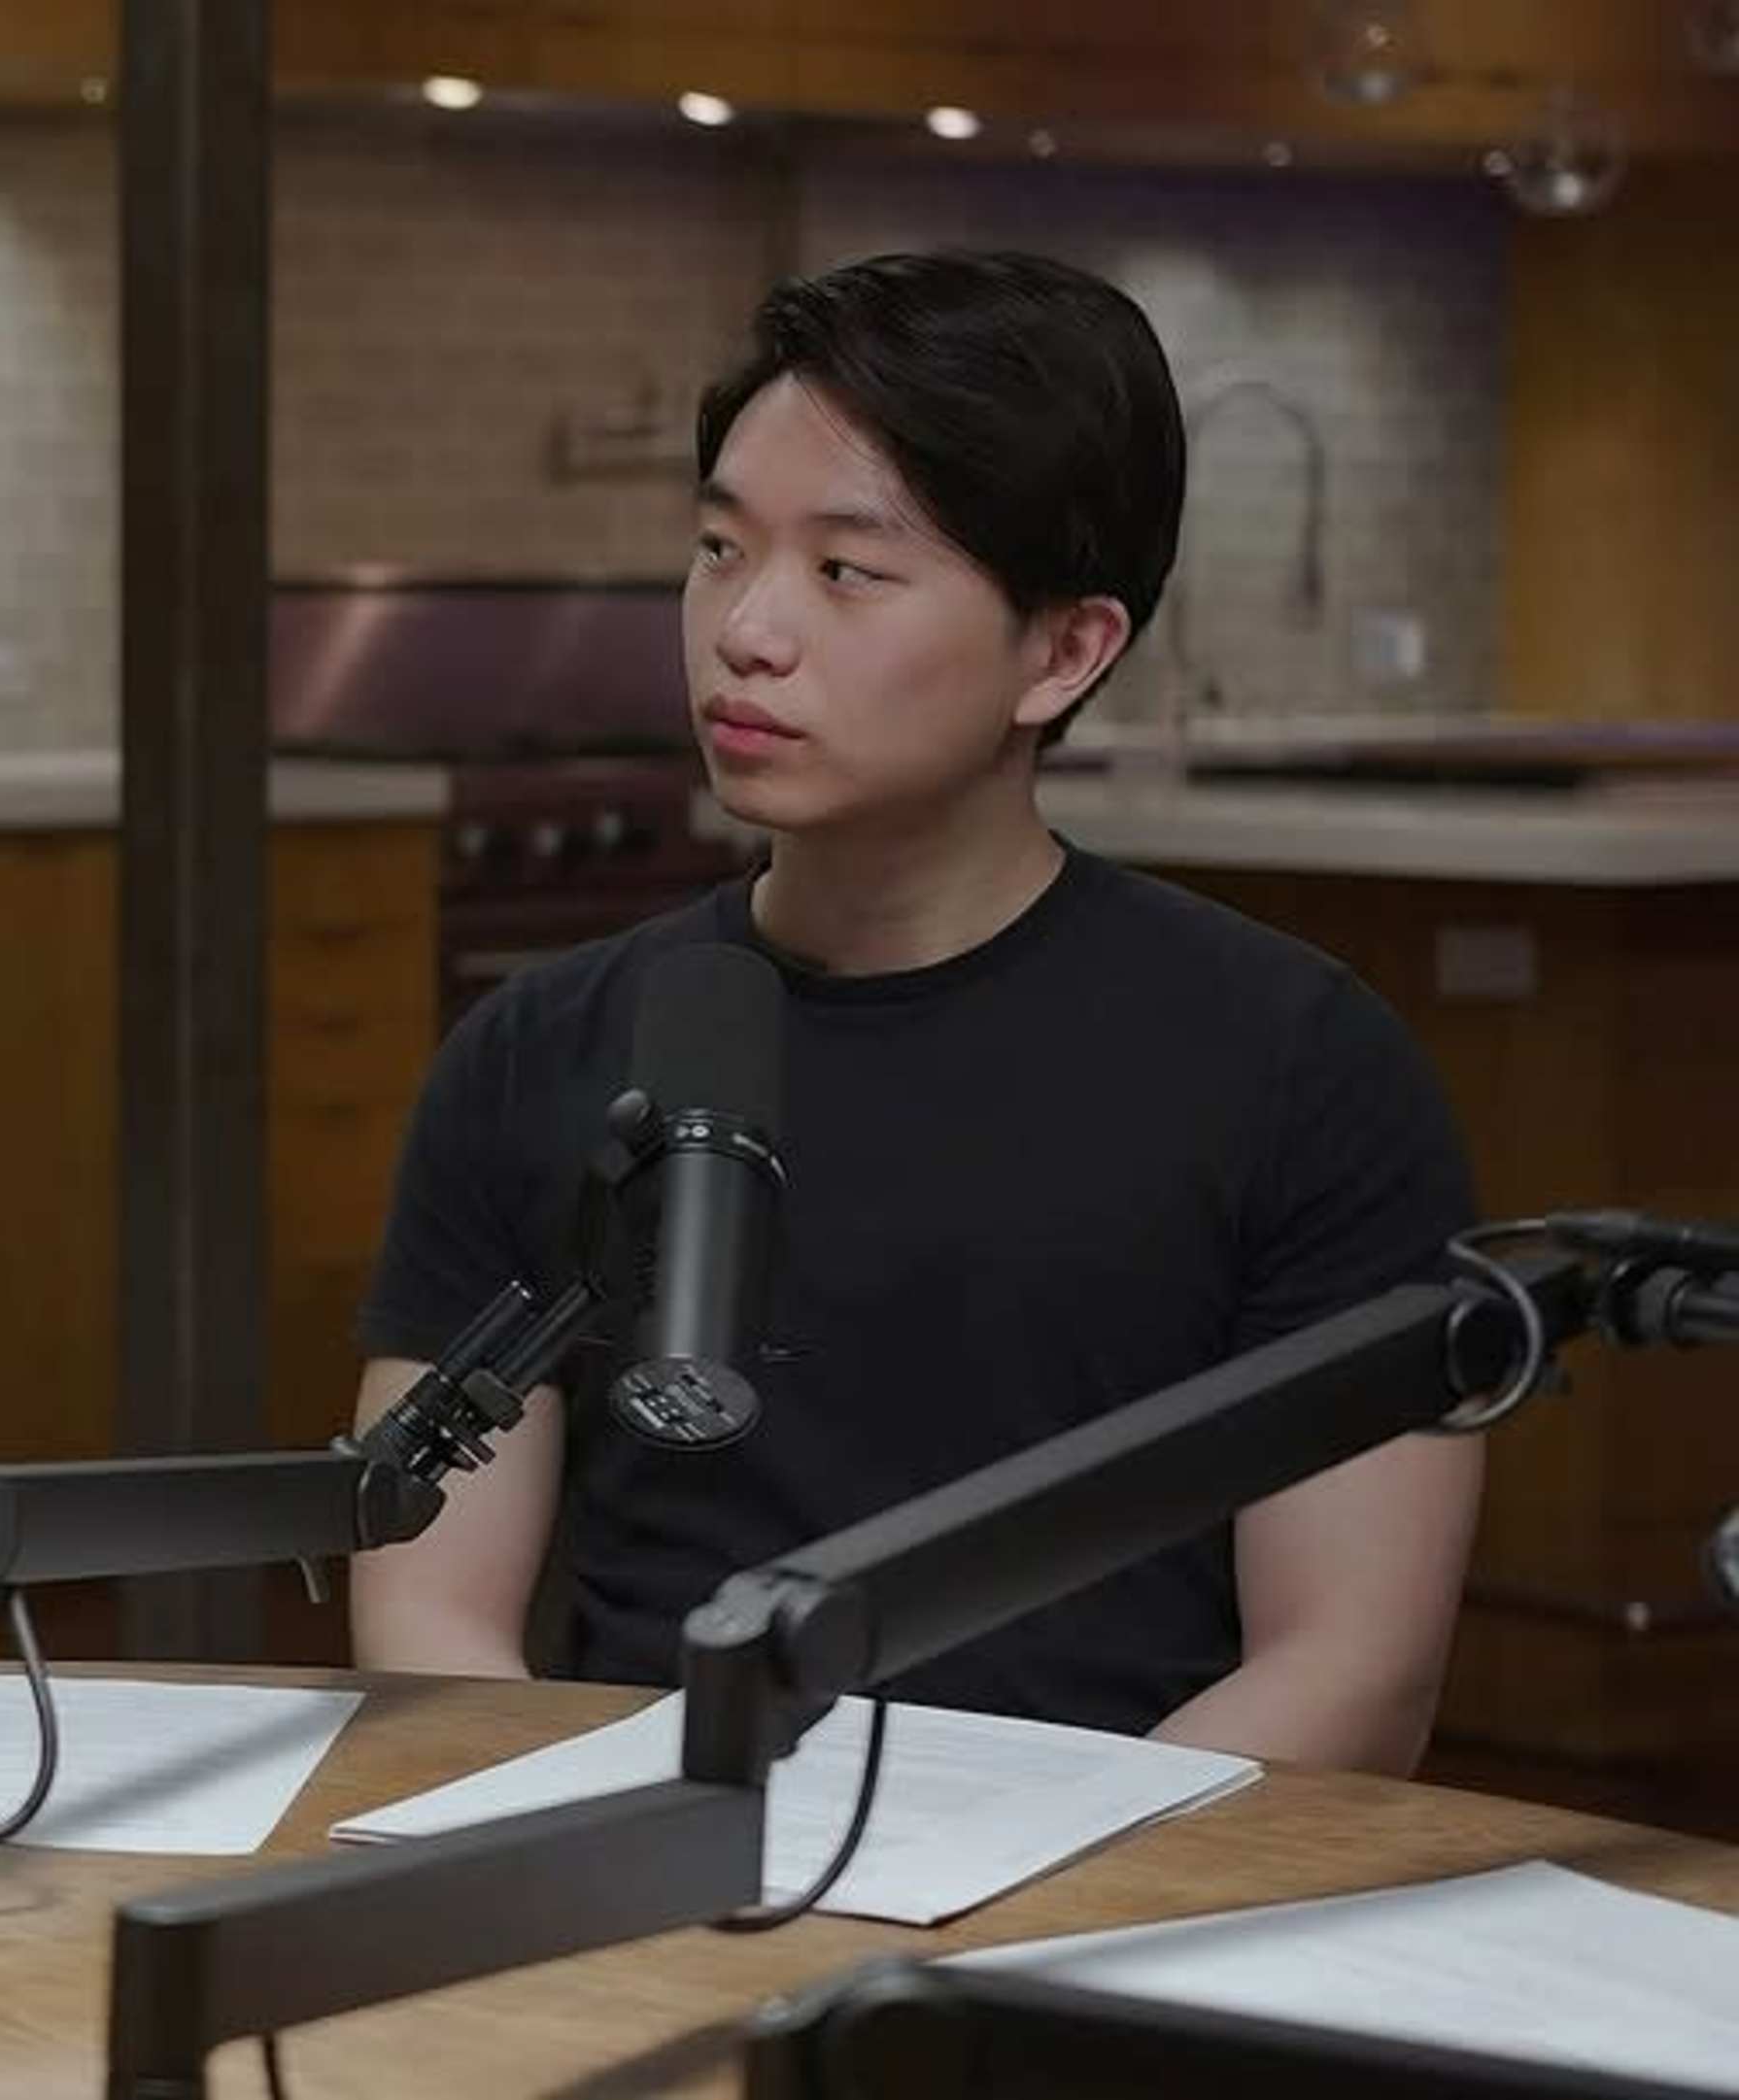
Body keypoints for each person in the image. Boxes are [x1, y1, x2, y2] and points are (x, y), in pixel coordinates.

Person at [350, 250, 1481, 1775]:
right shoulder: (536, 1052)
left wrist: (1013, 1928)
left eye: (846, 570)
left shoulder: (1301, 1071)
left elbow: (1353, 1667)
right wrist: (604, 1852)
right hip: (636, 1877)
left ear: (1066, 650)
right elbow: (425, 1608)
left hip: (1098, 1934)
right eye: (717, 547)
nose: (746, 630)